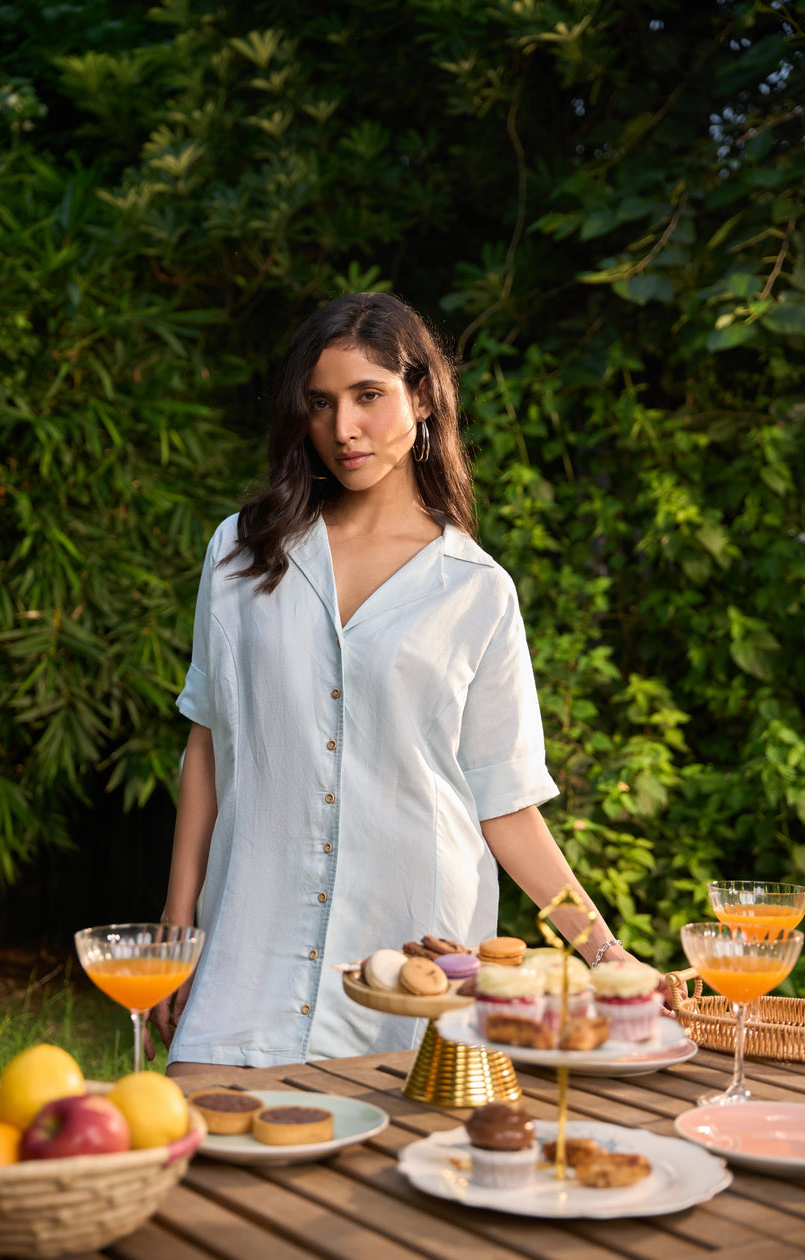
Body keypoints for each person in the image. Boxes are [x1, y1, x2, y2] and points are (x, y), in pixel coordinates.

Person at [148, 291, 631, 1075]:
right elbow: (208, 741)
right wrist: (179, 924)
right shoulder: (241, 554)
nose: (344, 427)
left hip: (415, 971)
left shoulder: (476, 590)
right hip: (248, 959)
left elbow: (505, 803)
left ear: (423, 398)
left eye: (368, 395)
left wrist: (604, 952)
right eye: (321, 403)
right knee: (199, 1142)